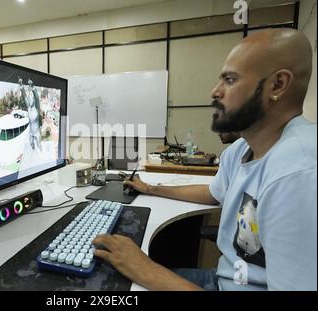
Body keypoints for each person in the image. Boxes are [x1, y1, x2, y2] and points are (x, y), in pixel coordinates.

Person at [93, 28, 317, 291]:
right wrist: (152, 189)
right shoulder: (241, 149)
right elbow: (213, 194)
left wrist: (147, 269)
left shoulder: (299, 174)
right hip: (224, 279)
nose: (215, 91)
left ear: (277, 85)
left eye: (230, 80)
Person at [19, 78, 43, 151]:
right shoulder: (29, 108)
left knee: (39, 145)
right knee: (31, 144)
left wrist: (32, 86)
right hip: (31, 132)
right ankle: (34, 154)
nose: (30, 99)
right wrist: (21, 85)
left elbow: (37, 97)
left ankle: (42, 153)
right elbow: (24, 96)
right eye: (29, 98)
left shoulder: (37, 109)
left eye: (31, 98)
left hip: (37, 132)